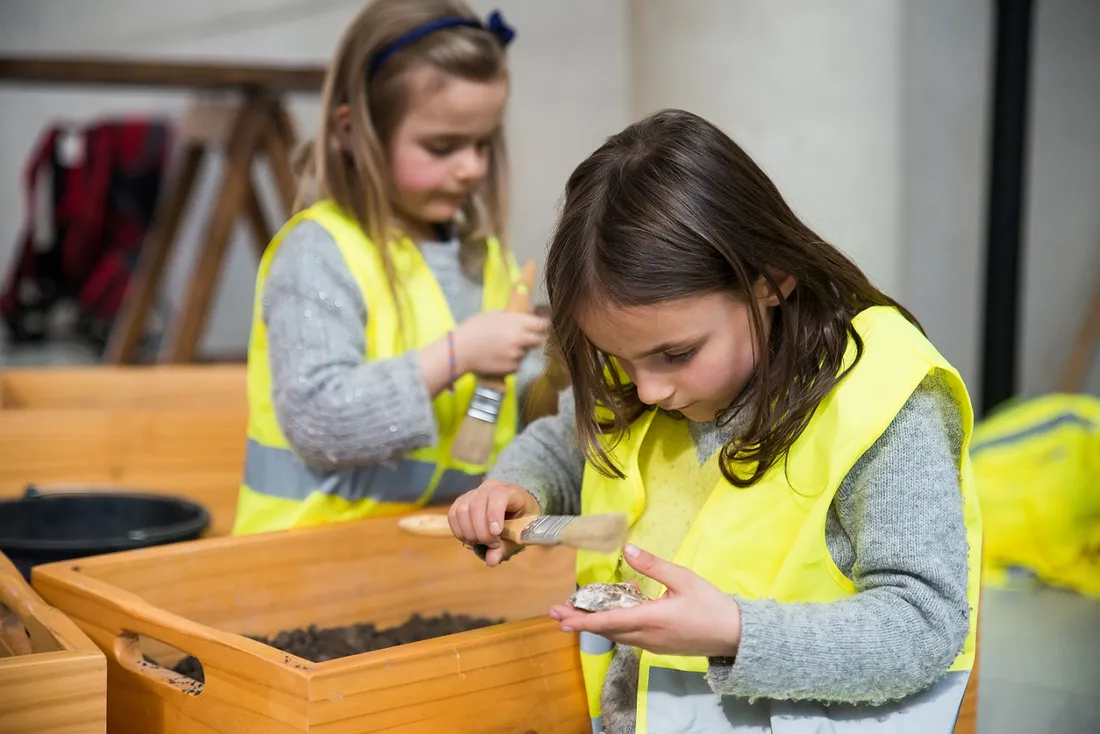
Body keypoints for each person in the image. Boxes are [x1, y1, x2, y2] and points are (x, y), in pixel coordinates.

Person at [448, 109, 981, 733]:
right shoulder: (645, 376)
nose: (647, 388)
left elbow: (922, 624)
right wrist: (518, 488)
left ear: (770, 283)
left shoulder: (883, 397)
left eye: (676, 354)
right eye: (619, 359)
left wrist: (734, 631)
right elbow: (569, 444)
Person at [233, 0, 548, 536]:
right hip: (303, 559)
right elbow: (319, 420)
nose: (472, 167)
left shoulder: (484, 257)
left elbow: (496, 415)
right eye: (443, 146)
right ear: (354, 132)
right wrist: (458, 354)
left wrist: (557, 381)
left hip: (429, 557)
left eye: (483, 143)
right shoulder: (318, 254)